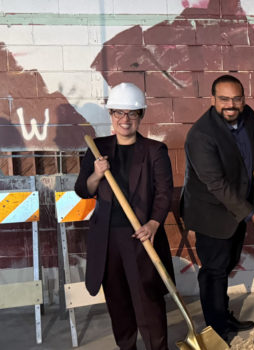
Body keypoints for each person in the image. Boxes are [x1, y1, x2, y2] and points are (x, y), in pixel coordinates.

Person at [74, 82, 174, 350]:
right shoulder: (97, 148)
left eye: (131, 114)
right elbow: (83, 190)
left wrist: (153, 224)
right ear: (111, 115)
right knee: (118, 301)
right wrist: (96, 172)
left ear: (141, 115)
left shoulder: (155, 151)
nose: (124, 120)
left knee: (148, 300)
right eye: (118, 113)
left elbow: (165, 193)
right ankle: (126, 347)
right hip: (108, 240)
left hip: (142, 236)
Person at [181, 75, 254, 341]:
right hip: (211, 211)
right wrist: (252, 214)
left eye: (236, 99)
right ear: (212, 100)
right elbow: (216, 184)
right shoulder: (200, 136)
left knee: (229, 261)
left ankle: (222, 314)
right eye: (224, 99)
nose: (231, 105)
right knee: (214, 270)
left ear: (243, 99)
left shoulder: (248, 114)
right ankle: (217, 328)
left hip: (237, 205)